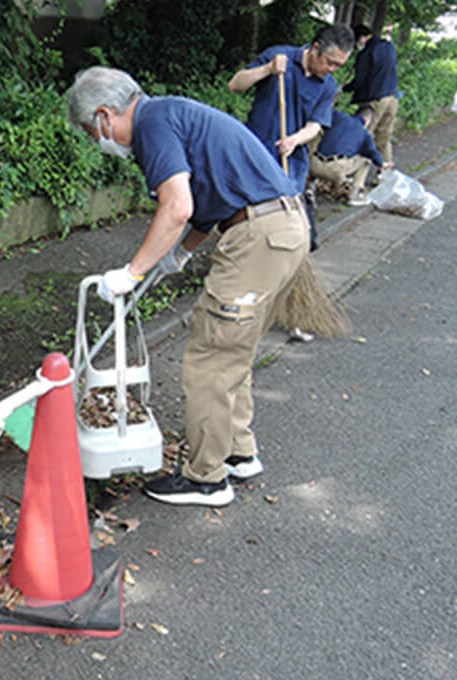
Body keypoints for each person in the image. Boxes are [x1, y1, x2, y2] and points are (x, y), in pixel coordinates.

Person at [66, 66, 309, 507]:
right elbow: (209, 199)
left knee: (210, 357)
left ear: (104, 116)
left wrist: (133, 271)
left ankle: (206, 478)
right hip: (277, 229)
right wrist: (181, 252)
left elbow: (176, 205)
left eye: (90, 131)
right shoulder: (169, 114)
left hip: (259, 235)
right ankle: (238, 452)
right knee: (233, 350)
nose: (95, 140)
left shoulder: (152, 125)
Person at [228, 23, 355, 253]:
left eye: (339, 65)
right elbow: (235, 84)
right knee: (247, 215)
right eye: (330, 62)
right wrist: (267, 69)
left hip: (292, 162)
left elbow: (315, 125)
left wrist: (295, 140)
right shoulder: (280, 56)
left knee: (287, 223)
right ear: (315, 48)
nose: (333, 69)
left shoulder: (328, 85)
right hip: (255, 153)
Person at [310, 107, 392, 206]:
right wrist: (382, 164)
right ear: (368, 119)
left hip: (313, 165)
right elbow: (372, 153)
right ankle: (355, 195)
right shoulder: (364, 133)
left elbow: (324, 112)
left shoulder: (338, 117)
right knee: (366, 160)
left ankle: (309, 187)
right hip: (335, 169)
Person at [344, 24, 399, 165]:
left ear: (361, 38)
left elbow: (360, 81)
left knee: (363, 137)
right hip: (393, 97)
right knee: (384, 138)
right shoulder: (389, 47)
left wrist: (346, 88)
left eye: (356, 42)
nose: (356, 46)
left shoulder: (366, 53)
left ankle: (357, 180)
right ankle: (386, 174)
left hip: (375, 100)